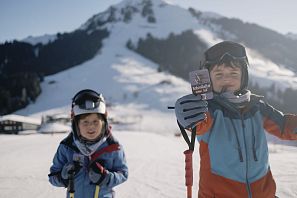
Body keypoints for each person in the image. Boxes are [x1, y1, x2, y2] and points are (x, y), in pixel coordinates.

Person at [175, 41, 297, 198]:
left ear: (243, 76)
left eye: (233, 73)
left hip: (263, 193)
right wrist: (188, 114)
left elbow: (284, 126)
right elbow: (199, 125)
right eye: (219, 74)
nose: (227, 79)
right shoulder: (209, 110)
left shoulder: (257, 107)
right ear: (208, 79)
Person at [48, 89, 128, 198]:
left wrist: (106, 177)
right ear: (76, 124)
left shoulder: (113, 147)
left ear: (104, 122)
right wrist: (63, 177)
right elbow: (52, 176)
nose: (91, 126)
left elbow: (123, 174)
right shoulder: (67, 147)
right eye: (85, 122)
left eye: (96, 121)